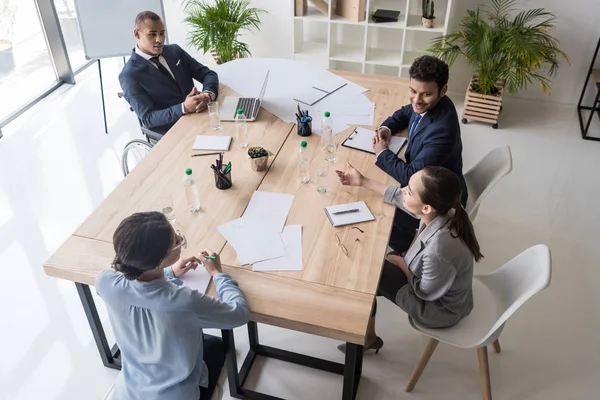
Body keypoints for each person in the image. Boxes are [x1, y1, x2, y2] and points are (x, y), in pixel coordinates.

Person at [96, 212, 250, 400]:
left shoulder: (105, 282)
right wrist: (218, 274)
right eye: (176, 240)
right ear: (159, 260)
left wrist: (168, 273)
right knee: (217, 346)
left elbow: (141, 290)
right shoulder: (185, 302)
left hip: (129, 392)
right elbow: (239, 314)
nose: (179, 238)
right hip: (178, 395)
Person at [336, 164, 482, 353]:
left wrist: (404, 266)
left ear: (427, 207)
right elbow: (399, 196)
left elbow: (425, 292)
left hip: (438, 310)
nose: (404, 190)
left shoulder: (439, 249)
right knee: (373, 267)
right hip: (441, 285)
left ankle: (365, 337)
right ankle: (366, 328)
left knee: (368, 273)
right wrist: (362, 181)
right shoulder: (445, 209)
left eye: (410, 192)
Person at [373, 55, 467, 254]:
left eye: (425, 94)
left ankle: (403, 252)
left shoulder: (442, 131)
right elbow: (408, 111)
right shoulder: (432, 102)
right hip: (427, 182)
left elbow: (410, 175)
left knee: (378, 213)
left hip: (436, 201)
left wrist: (382, 153)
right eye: (413, 91)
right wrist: (387, 127)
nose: (417, 100)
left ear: (443, 90)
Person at [119, 11, 219, 135]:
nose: (159, 39)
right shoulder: (129, 75)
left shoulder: (174, 51)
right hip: (173, 131)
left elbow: (208, 74)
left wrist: (208, 94)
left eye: (162, 33)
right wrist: (184, 107)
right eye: (152, 34)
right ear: (137, 34)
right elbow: (148, 118)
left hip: (201, 117)